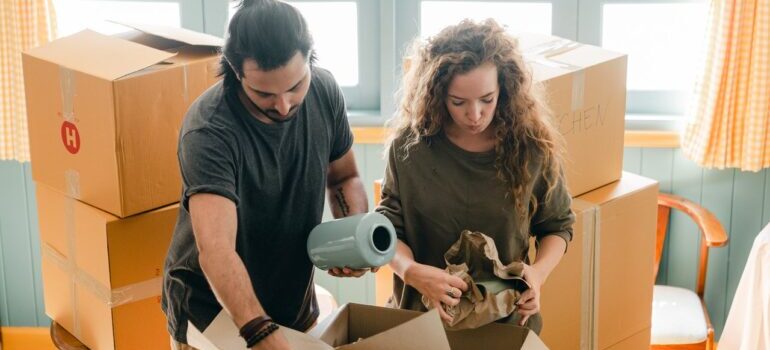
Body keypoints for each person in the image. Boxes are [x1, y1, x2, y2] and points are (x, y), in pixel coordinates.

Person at [162, 1, 373, 349]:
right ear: (234, 70)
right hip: (212, 312)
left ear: (310, 59)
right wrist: (259, 331)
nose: (284, 105)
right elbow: (216, 251)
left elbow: (343, 178)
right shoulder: (209, 131)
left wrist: (354, 239)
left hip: (291, 300)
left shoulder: (324, 91)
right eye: (264, 93)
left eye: (296, 85)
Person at [376, 19, 575, 333]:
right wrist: (411, 272)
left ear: (504, 89)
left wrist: (537, 276)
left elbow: (558, 226)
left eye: (487, 99)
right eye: (458, 102)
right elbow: (387, 229)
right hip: (422, 325)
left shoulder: (532, 150)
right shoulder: (408, 149)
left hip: (507, 326)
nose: (475, 115)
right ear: (438, 94)